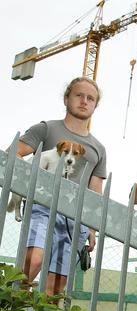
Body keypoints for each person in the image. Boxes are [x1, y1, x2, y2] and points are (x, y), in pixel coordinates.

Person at [15, 76, 106, 296]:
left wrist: (92, 228)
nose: (84, 101)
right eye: (78, 95)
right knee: (33, 260)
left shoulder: (98, 149)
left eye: (90, 98)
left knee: (55, 287)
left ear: (95, 105)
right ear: (66, 99)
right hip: (42, 206)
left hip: (76, 219)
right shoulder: (46, 129)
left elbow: (95, 192)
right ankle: (11, 308)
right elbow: (15, 155)